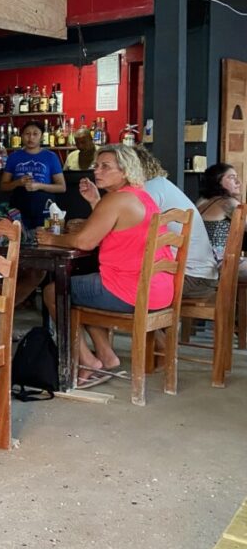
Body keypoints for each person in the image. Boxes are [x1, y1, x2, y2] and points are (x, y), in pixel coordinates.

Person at [36, 144, 174, 382]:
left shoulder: (117, 199)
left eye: (105, 167)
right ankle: (106, 355)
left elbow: (85, 241)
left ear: (125, 171)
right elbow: (113, 229)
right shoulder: (141, 196)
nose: (97, 171)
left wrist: (52, 238)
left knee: (54, 291)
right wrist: (95, 202)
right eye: (96, 166)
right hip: (159, 288)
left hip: (133, 290)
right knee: (84, 288)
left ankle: (87, 360)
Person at [134, 146, 217, 299]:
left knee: (113, 286)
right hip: (201, 275)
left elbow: (122, 230)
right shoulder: (161, 185)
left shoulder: (148, 190)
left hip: (190, 278)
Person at [0, 120, 66, 229]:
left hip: (44, 206)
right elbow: (3, 186)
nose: (31, 138)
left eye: (35, 134)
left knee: (43, 238)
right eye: (27, 134)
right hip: (18, 207)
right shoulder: (14, 157)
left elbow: (62, 187)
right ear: (21, 136)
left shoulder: (51, 156)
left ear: (41, 137)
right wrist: (18, 182)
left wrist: (39, 185)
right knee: (19, 239)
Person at [196, 162, 247, 277]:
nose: (238, 182)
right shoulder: (228, 203)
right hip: (218, 263)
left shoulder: (202, 201)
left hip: (199, 261)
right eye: (231, 177)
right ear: (217, 181)